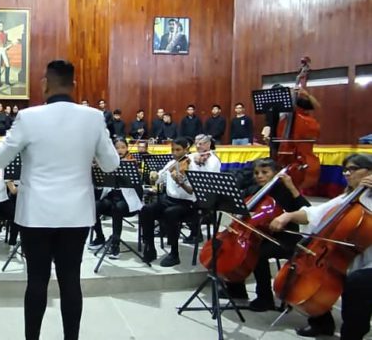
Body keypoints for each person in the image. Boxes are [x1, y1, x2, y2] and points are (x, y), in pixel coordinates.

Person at [0, 60, 119, 340]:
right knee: (71, 280)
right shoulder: (94, 117)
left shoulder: (28, 117)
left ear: (44, 83)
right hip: (76, 213)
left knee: (36, 280)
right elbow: (110, 164)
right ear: (74, 85)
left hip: (36, 213)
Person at [270, 154, 372, 340]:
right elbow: (315, 213)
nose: (347, 173)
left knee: (357, 282)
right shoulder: (346, 198)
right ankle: (321, 323)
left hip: (367, 264)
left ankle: (352, 335)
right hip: (343, 257)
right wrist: (289, 216)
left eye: (353, 169)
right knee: (307, 258)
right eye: (345, 170)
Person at [223, 158, 310, 311]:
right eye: (256, 173)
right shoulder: (257, 190)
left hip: (285, 237)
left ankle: (265, 298)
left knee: (257, 254)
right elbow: (242, 205)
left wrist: (292, 187)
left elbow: (307, 211)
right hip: (261, 234)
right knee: (236, 246)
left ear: (276, 174)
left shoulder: (285, 190)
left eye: (265, 172)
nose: (259, 176)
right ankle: (236, 290)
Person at [140, 137, 203, 267]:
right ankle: (150, 247)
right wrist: (154, 176)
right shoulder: (170, 164)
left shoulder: (193, 166)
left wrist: (181, 182)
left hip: (186, 204)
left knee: (170, 213)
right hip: (169, 200)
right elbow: (158, 180)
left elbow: (192, 191)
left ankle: (174, 253)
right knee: (146, 209)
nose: (174, 153)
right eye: (173, 150)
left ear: (187, 149)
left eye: (178, 150)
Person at [90, 138, 143, 258]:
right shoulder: (109, 163)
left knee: (117, 208)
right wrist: (98, 168)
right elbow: (101, 183)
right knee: (94, 207)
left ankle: (115, 243)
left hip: (127, 199)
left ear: (127, 148)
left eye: (123, 147)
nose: (120, 150)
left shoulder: (131, 162)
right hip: (112, 195)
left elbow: (137, 185)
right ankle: (100, 237)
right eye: (117, 148)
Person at [0, 21, 13, 87]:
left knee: (7, 65)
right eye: (0, 26)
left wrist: (10, 44)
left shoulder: (5, 34)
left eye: (2, 26)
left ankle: (7, 81)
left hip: (3, 49)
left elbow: (6, 42)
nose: (1, 27)